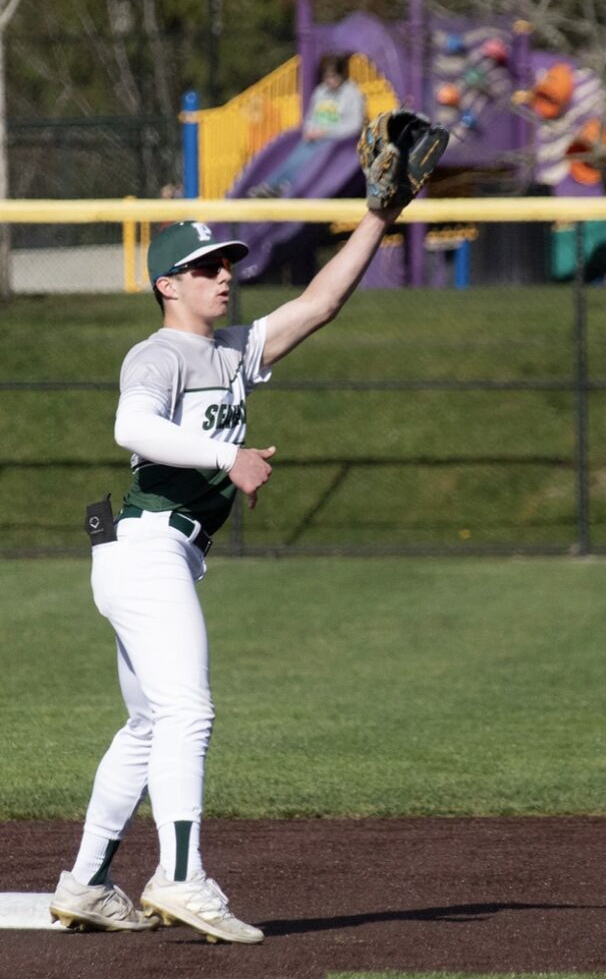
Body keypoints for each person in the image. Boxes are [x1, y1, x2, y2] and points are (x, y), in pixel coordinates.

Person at [48, 205, 401, 944]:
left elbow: (320, 303)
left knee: (150, 724)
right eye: (206, 267)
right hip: (145, 548)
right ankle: (180, 877)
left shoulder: (234, 351)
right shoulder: (158, 353)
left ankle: (86, 884)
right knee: (187, 713)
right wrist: (225, 457)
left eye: (227, 263)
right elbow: (132, 429)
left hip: (146, 552)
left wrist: (378, 216)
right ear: (166, 284)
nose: (224, 276)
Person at [248, 53, 365, 198]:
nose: (331, 80)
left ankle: (287, 184)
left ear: (342, 75)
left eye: (334, 76)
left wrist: (326, 132)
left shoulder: (352, 93)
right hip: (317, 136)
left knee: (310, 156)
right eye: (327, 76)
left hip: (338, 142)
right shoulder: (321, 92)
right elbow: (311, 118)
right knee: (297, 155)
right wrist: (310, 130)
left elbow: (354, 125)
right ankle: (272, 184)